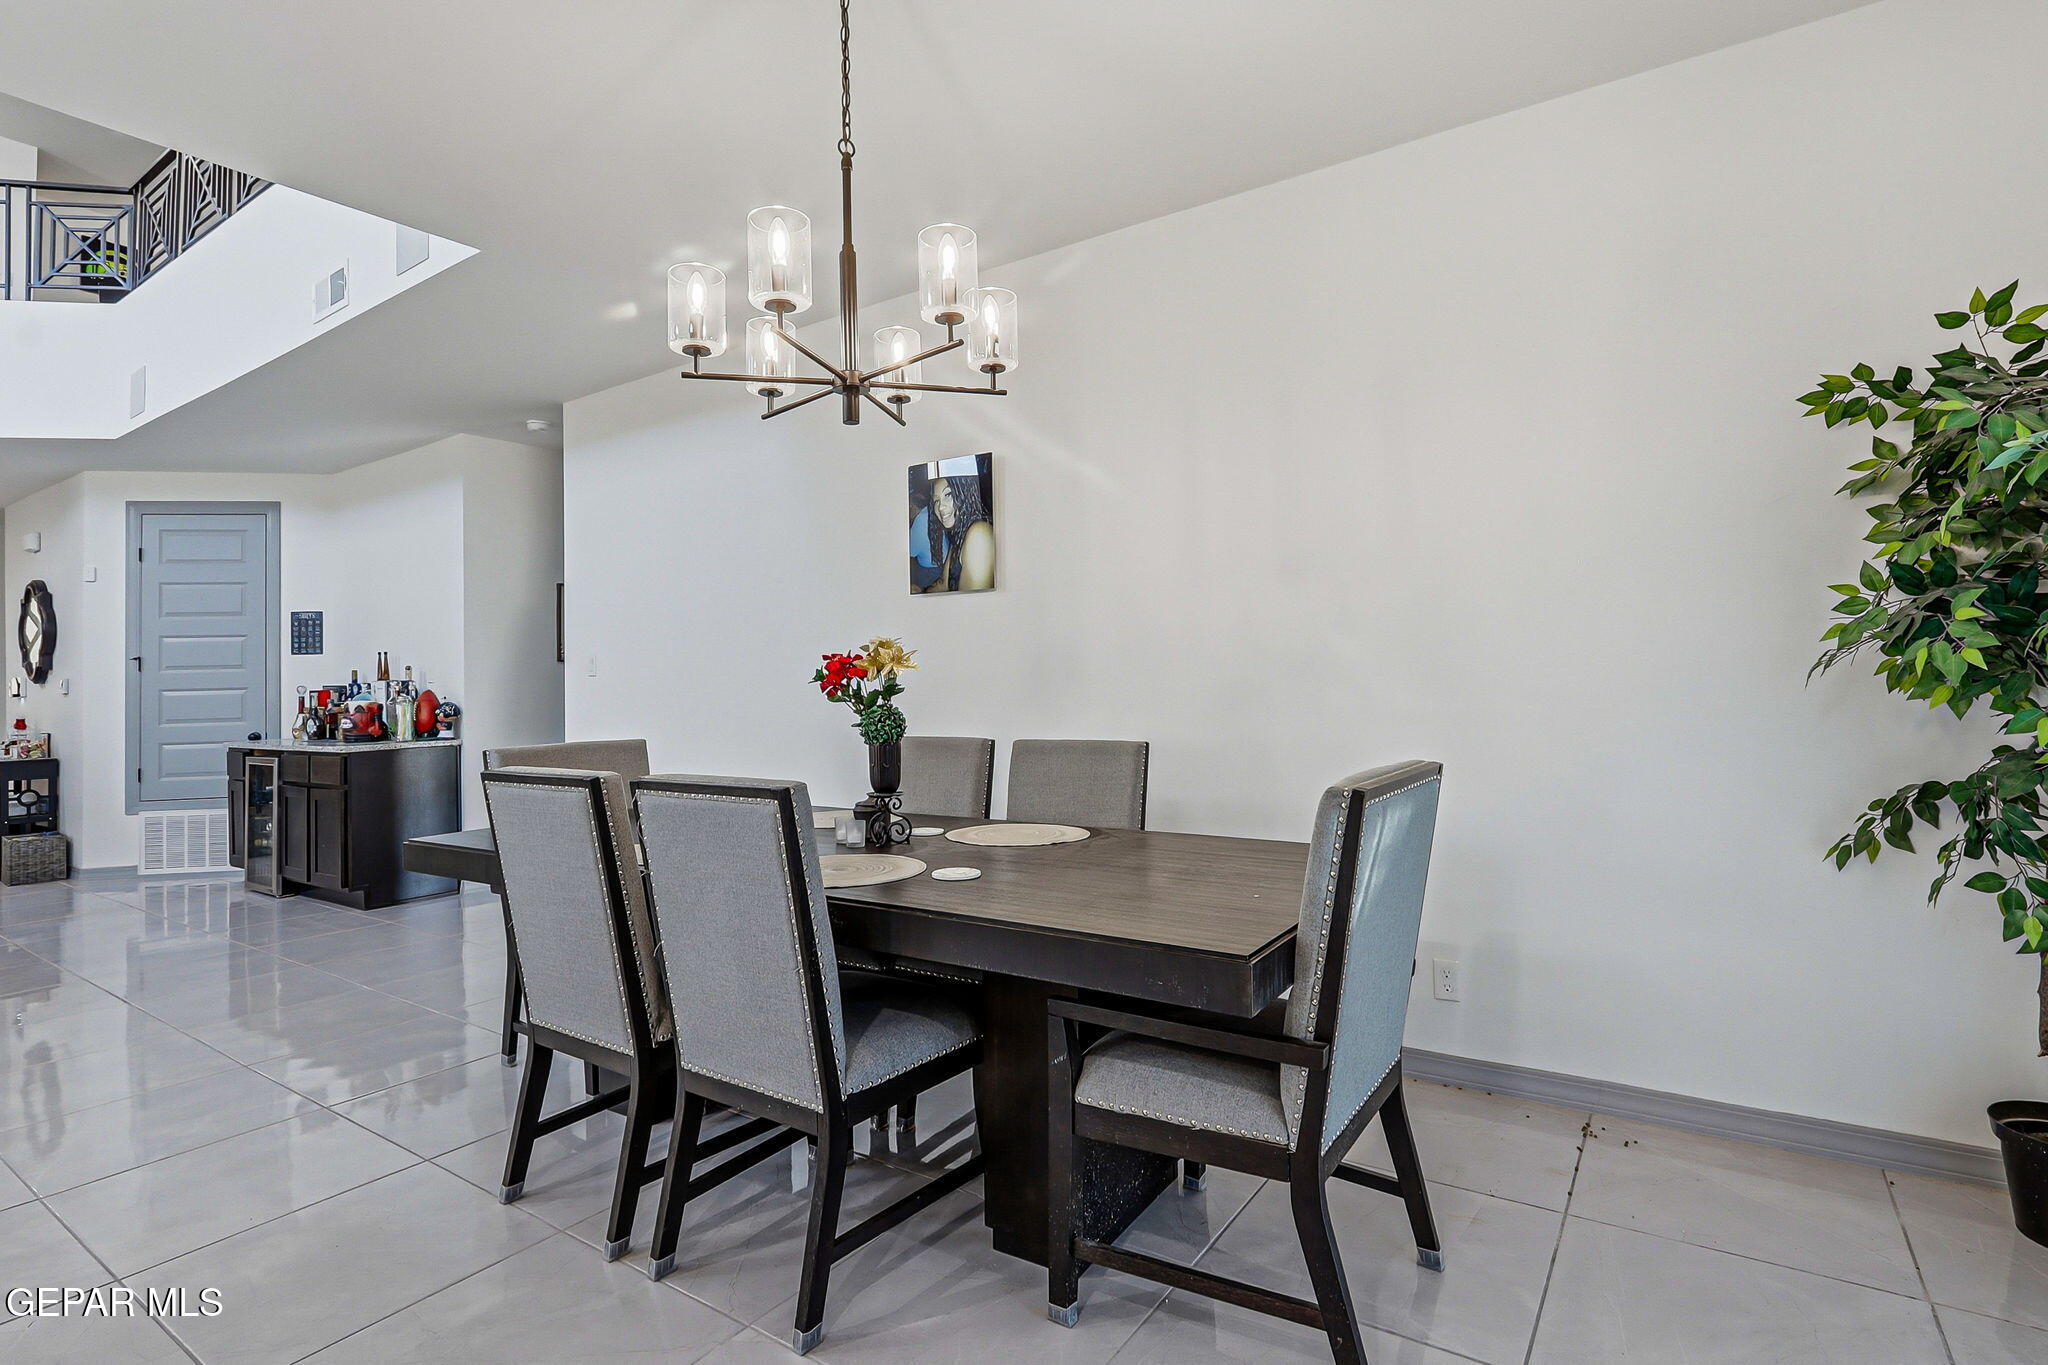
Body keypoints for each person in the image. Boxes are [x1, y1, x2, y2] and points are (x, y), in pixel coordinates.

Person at [911, 470, 995, 592]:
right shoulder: (959, 534)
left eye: (948, 494)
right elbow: (943, 584)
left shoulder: (979, 533)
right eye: (936, 500)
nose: (940, 507)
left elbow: (973, 604)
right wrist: (921, 592)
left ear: (964, 494)